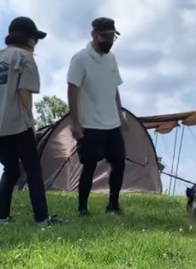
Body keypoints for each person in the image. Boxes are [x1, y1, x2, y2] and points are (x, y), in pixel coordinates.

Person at [0, 16, 64, 227]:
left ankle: (1, 217)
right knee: (33, 169)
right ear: (28, 39)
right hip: (17, 122)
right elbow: (25, 92)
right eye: (35, 39)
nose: (35, 44)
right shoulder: (24, 57)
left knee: (10, 169)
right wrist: (31, 121)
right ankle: (42, 219)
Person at [66, 17, 128, 216]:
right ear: (94, 35)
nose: (109, 41)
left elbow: (114, 89)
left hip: (112, 124)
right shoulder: (80, 58)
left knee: (119, 162)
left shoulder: (112, 59)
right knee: (89, 166)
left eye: (112, 37)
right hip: (90, 124)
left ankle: (113, 205)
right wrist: (75, 122)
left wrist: (121, 113)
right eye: (106, 37)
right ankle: (82, 208)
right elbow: (72, 89)